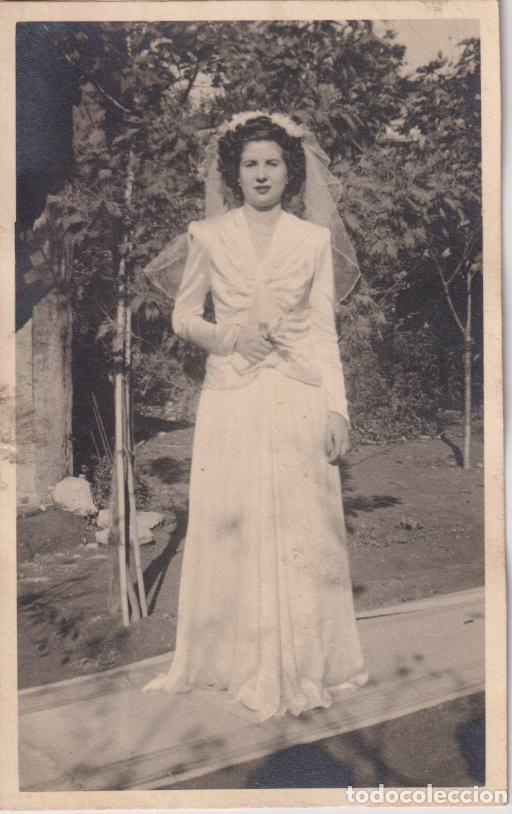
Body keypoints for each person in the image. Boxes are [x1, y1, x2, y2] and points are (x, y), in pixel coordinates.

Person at [143, 112, 368, 722]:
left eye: (272, 162)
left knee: (299, 525)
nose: (262, 173)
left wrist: (336, 410)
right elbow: (184, 316)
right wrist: (228, 339)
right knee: (235, 521)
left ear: (290, 171)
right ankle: (239, 662)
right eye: (250, 164)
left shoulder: (312, 240)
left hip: (297, 394)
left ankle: (300, 663)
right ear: (234, 173)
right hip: (233, 397)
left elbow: (324, 329)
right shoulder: (209, 236)